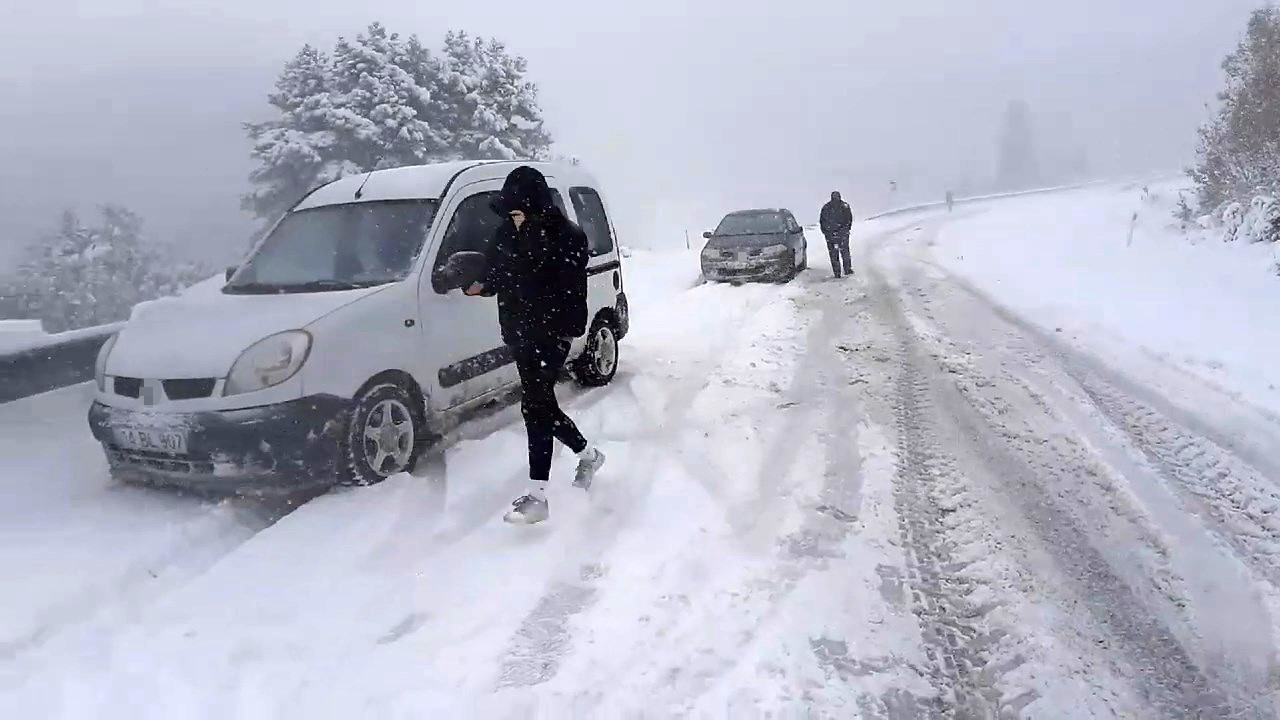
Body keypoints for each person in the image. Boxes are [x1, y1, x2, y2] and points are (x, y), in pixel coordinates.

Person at [463, 166, 605, 525]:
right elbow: (497, 275)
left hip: (552, 331)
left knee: (534, 406)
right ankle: (588, 455)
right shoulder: (505, 234)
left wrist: (566, 329)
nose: (513, 219)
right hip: (520, 332)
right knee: (541, 405)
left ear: (537, 206)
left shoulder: (565, 236)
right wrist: (476, 284)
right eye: (509, 213)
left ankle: (537, 496)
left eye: (518, 212)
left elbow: (564, 284)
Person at [819, 191, 854, 278]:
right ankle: (846, 269)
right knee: (844, 252)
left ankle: (838, 272)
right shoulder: (844, 206)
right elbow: (849, 220)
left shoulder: (827, 207)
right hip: (839, 234)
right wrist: (845, 230)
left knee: (834, 254)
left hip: (833, 234)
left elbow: (822, 222)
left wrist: (827, 233)